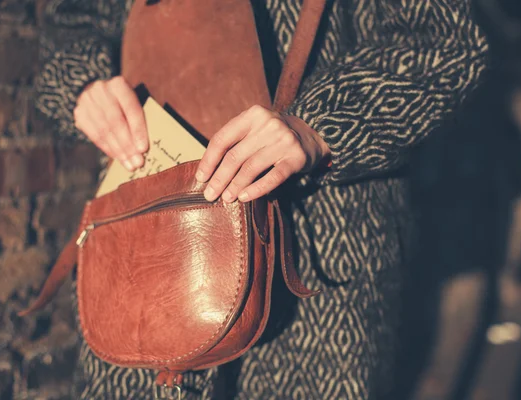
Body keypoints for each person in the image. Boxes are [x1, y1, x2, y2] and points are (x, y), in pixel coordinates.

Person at [35, 0, 488, 398]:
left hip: (319, 254)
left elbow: (445, 41)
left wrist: (322, 124)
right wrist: (82, 84)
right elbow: (69, 19)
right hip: (142, 241)